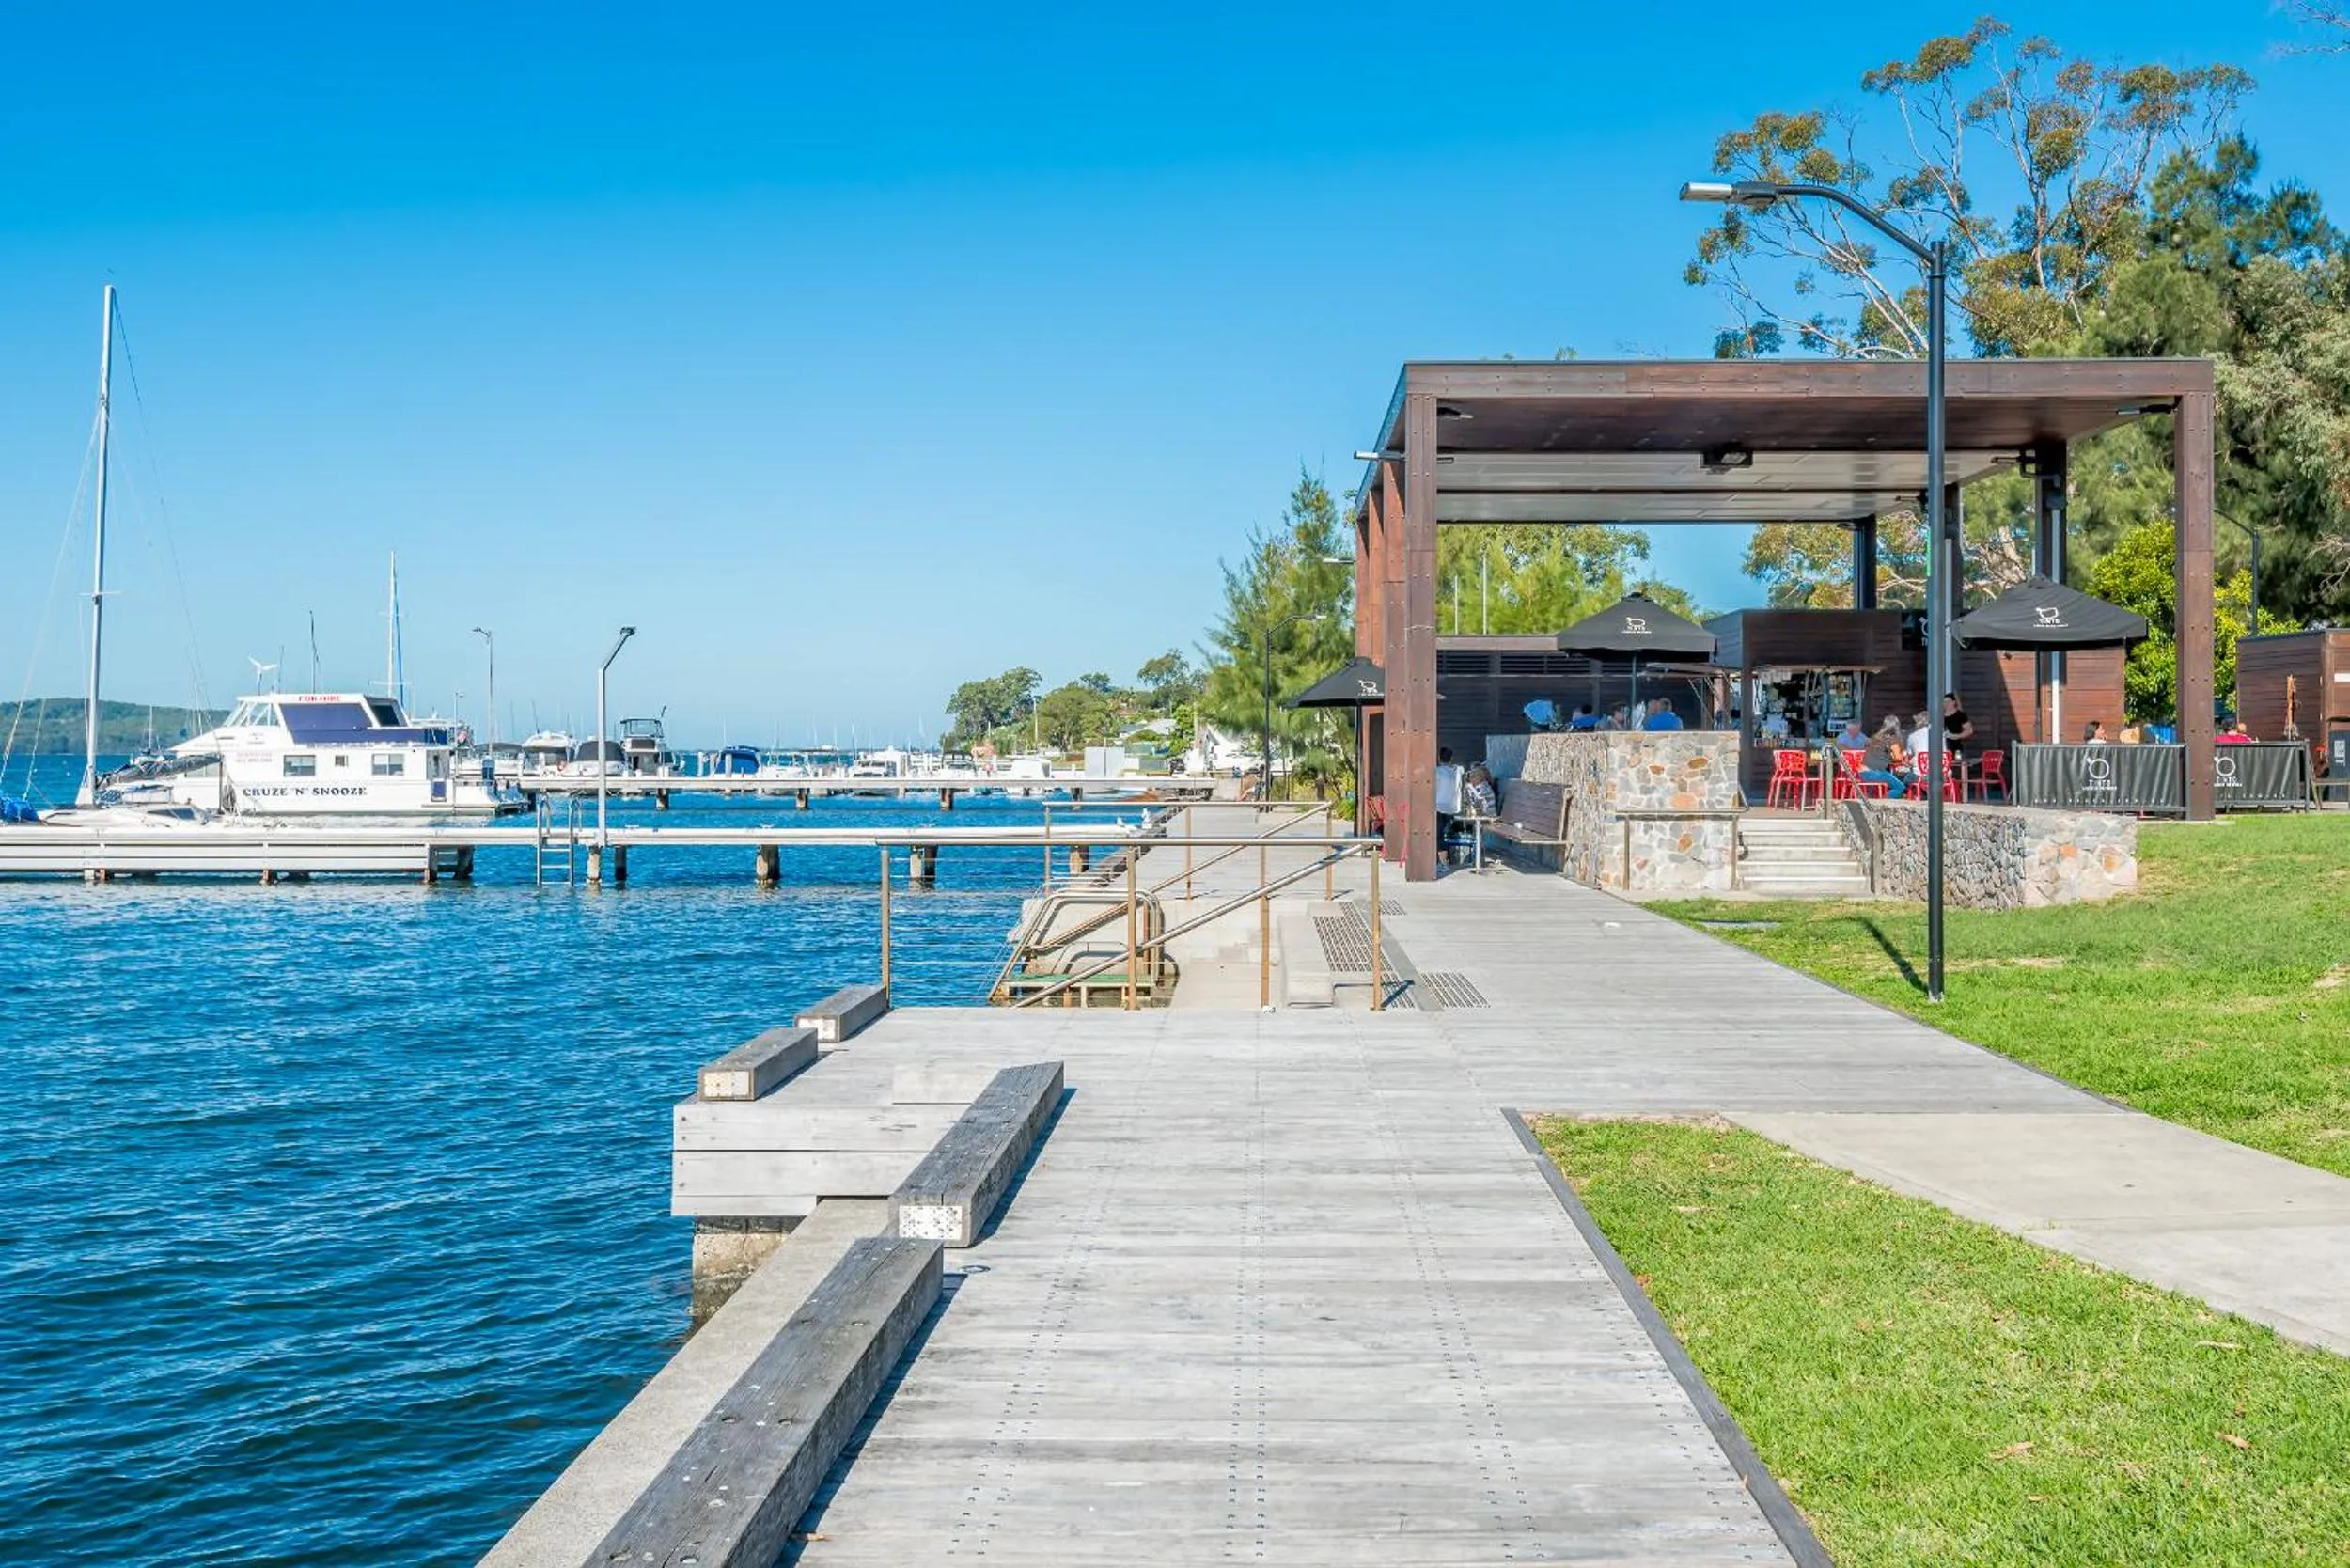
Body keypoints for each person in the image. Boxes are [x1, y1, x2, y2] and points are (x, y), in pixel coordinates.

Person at [1858, 723, 1908, 798]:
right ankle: (1885, 800)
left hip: (1861, 773)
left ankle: (1878, 798)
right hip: (1875, 773)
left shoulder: (1874, 739)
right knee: (1900, 787)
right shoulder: (1891, 740)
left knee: (1885, 779)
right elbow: (1898, 758)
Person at [1434, 745, 1464, 864]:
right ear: (1452, 758)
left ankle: (1443, 861)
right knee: (1443, 833)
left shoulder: (1437, 772)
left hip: (1439, 807)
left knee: (1438, 834)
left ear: (1438, 758)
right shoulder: (1458, 770)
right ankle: (1444, 859)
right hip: (1454, 807)